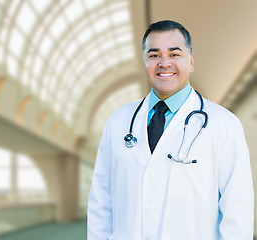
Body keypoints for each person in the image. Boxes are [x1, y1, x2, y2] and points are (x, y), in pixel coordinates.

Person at [87, 20, 254, 240]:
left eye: (174, 54)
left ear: (191, 61)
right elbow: (101, 202)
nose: (164, 63)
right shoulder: (119, 121)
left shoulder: (223, 125)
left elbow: (237, 211)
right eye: (154, 55)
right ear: (144, 62)